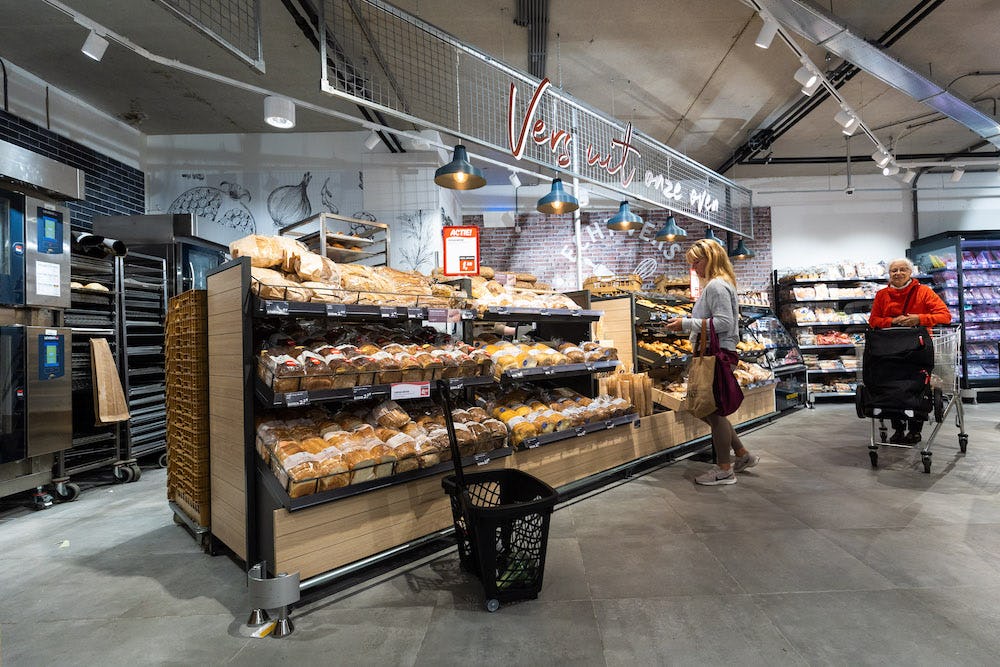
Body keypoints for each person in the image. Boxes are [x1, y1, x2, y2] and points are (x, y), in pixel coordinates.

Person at [666, 239, 758, 485]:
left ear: (711, 258)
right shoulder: (720, 284)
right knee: (709, 409)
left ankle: (724, 470)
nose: (694, 268)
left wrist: (685, 323)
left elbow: (724, 322)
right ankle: (742, 455)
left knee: (713, 413)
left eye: (697, 261)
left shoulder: (716, 286)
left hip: (716, 356)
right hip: (716, 354)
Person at [868, 257, 951, 444]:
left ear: (910, 272)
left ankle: (915, 430)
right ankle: (897, 428)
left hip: (918, 348)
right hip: (890, 348)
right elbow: (873, 321)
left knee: (917, 385)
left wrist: (919, 319)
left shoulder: (924, 292)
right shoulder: (882, 295)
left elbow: (945, 316)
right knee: (892, 385)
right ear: (889, 274)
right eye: (894, 270)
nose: (898, 273)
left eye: (902, 269)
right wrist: (892, 321)